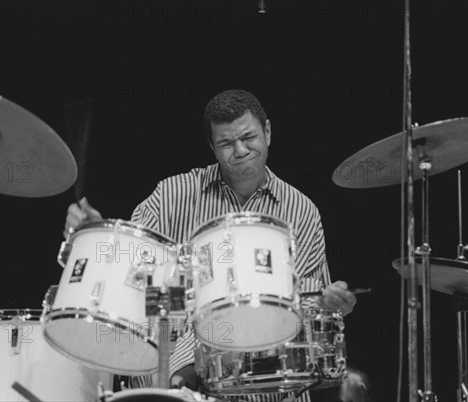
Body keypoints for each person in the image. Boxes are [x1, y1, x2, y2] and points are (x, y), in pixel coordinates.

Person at [64, 89, 357, 401]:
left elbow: (309, 307)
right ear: (212, 148)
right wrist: (96, 240)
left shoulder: (302, 211)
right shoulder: (171, 197)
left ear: (268, 132)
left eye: (249, 137)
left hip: (274, 382)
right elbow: (131, 271)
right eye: (227, 143)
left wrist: (331, 303)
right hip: (182, 372)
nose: (241, 150)